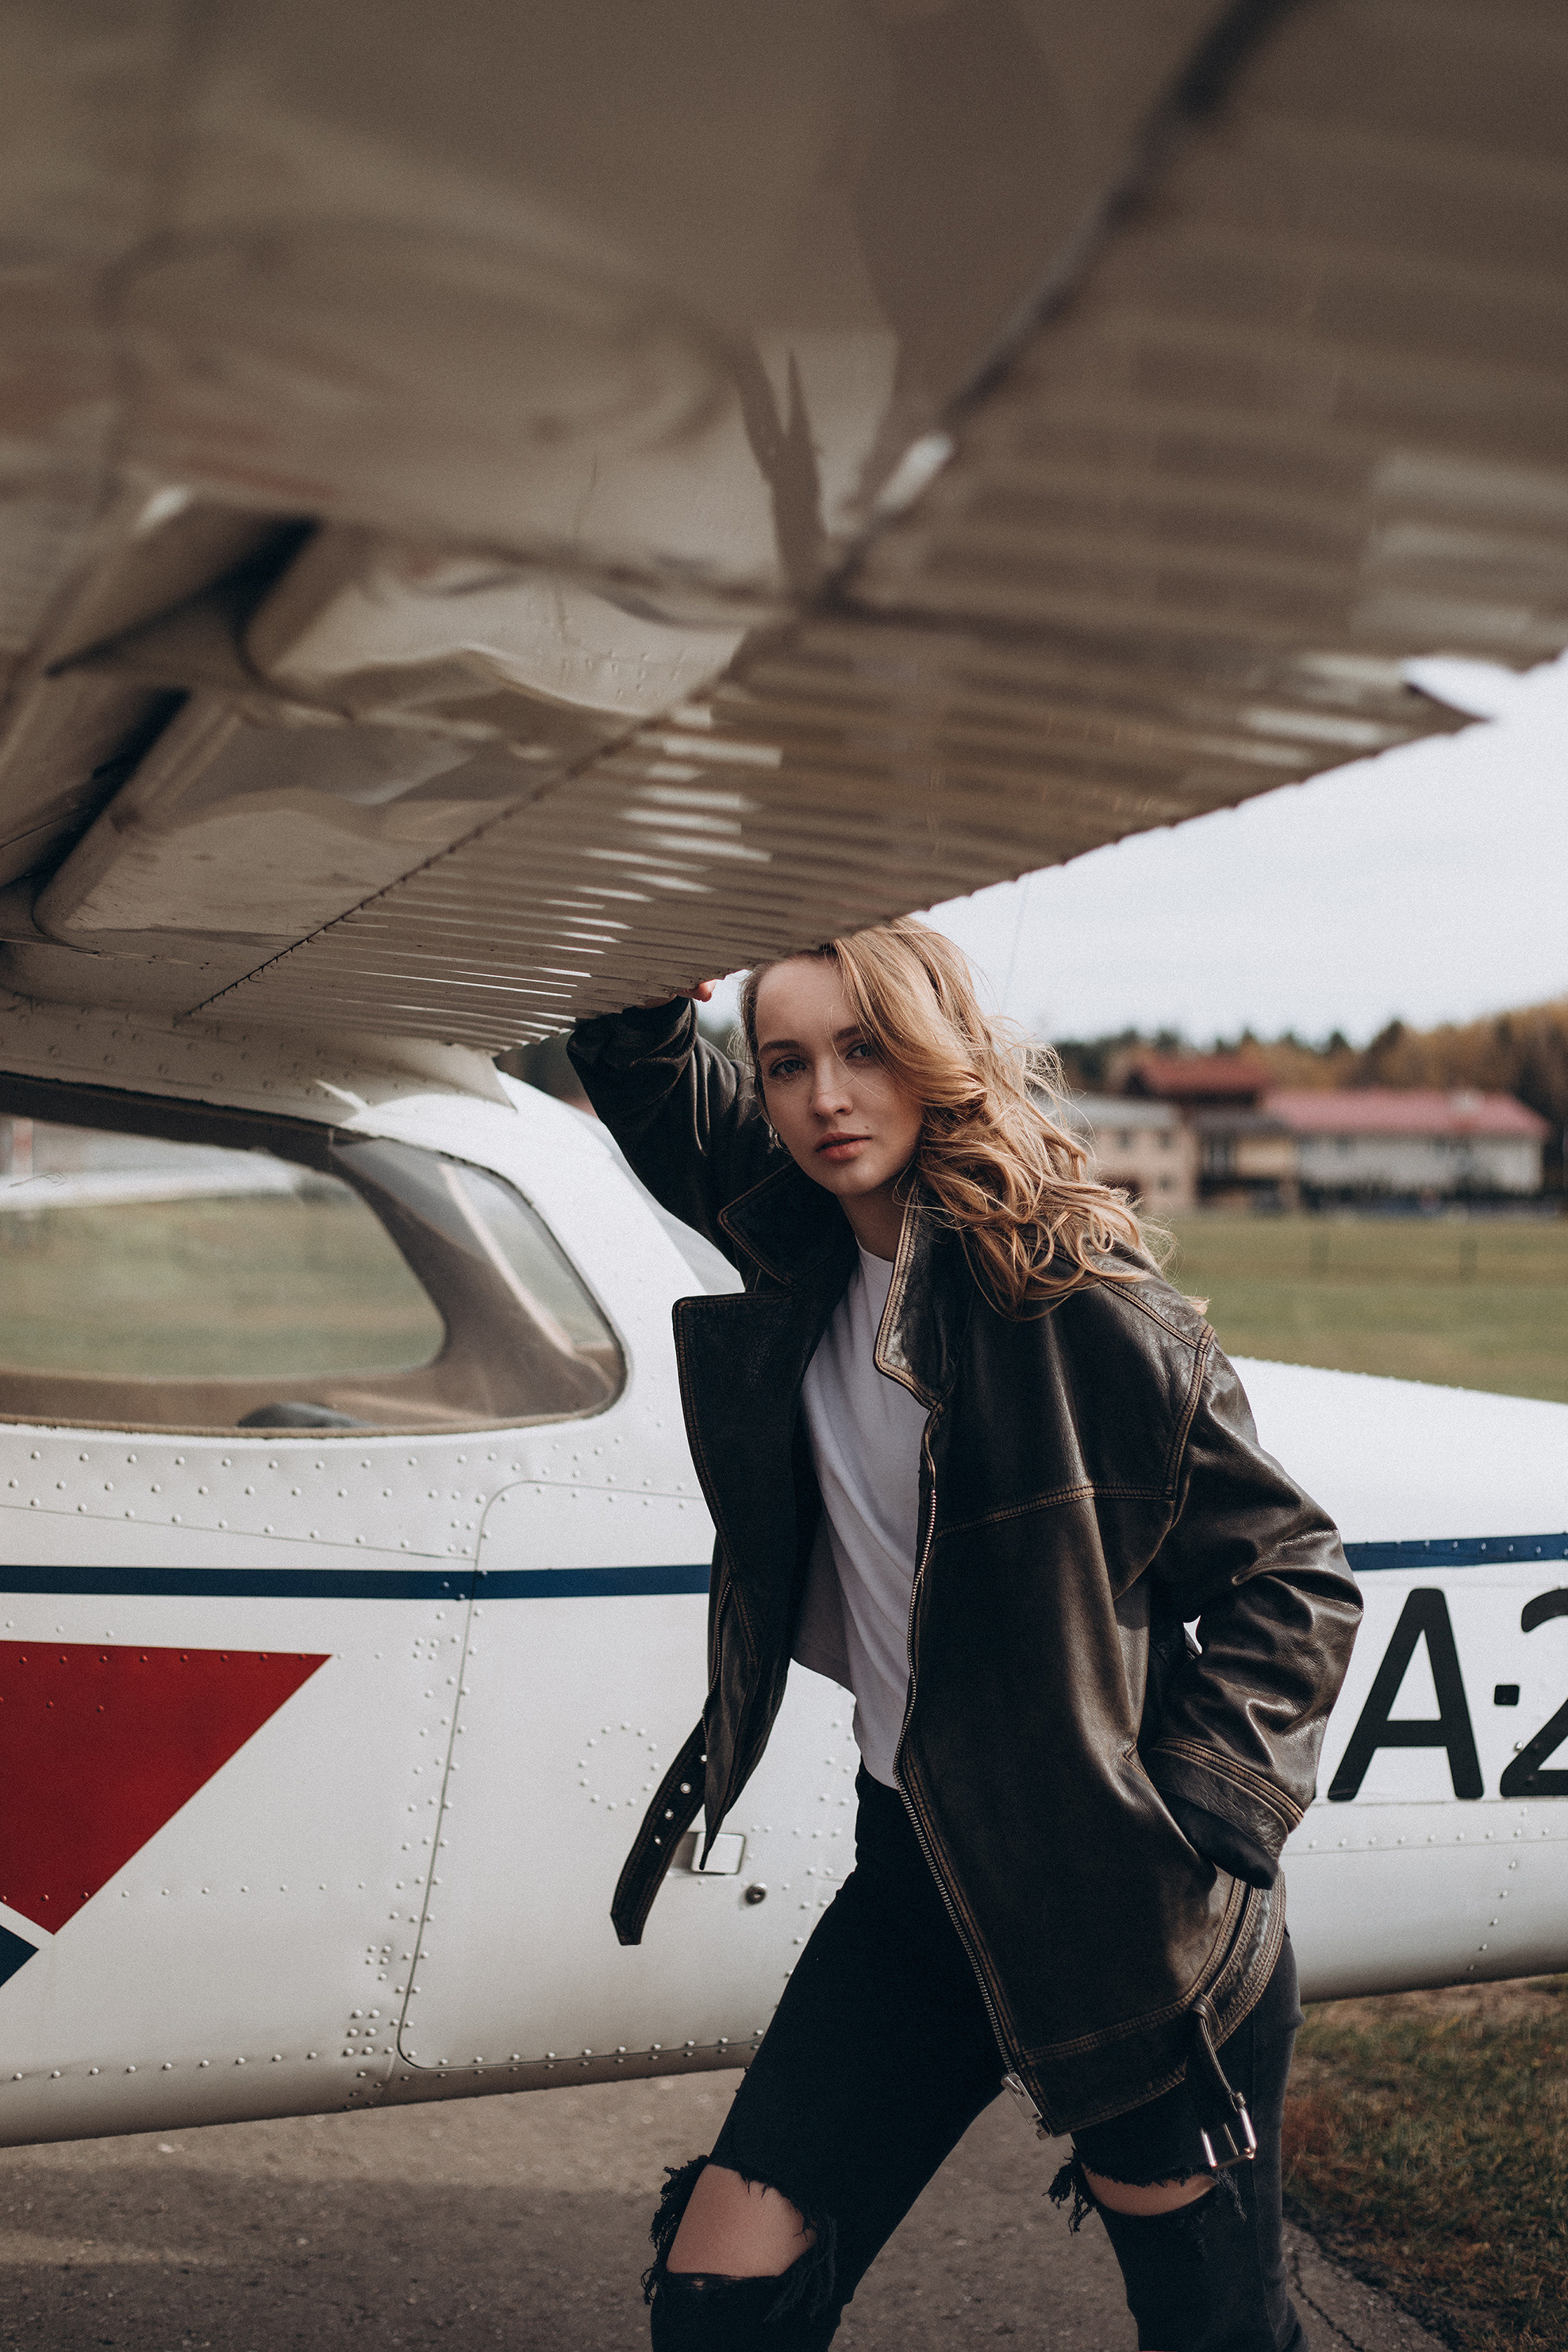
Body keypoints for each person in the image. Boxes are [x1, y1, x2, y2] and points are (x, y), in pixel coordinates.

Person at [568, 919, 1360, 2352]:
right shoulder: (803, 1236)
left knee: (1216, 2338)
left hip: (1117, 1913)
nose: (825, 1099)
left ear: (936, 1058)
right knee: (719, 2296)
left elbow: (1293, 1570)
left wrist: (1194, 1814)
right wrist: (655, 980)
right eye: (788, 1060)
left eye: (864, 1052)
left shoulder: (1077, 1306)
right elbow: (654, 1086)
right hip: (910, 1876)